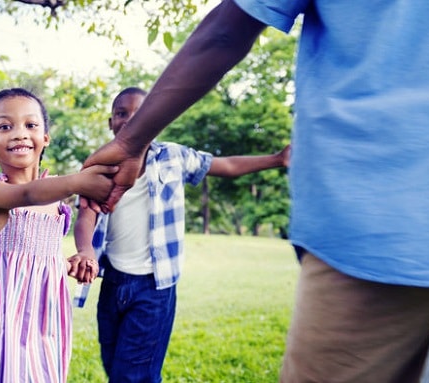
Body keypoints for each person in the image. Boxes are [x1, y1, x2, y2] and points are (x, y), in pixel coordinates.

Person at [82, 1, 429, 382]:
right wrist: (132, 143)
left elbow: (225, 140)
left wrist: (140, 140)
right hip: (367, 241)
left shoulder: (178, 160)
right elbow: (230, 26)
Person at [69, 86, 291, 383]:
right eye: (121, 113)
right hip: (112, 283)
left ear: (156, 119)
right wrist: (85, 250)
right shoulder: (98, 165)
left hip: (154, 287)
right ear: (110, 122)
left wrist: (276, 159)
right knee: (114, 365)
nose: (130, 120)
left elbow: (225, 165)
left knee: (134, 376)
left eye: (141, 113)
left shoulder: (174, 157)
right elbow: (86, 214)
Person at [0, 88, 115, 383]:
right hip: (2, 320)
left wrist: (78, 258)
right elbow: (27, 193)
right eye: (5, 126)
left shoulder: (57, 203)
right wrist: (79, 181)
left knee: (39, 371)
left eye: (31, 125)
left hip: (44, 317)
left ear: (45, 137)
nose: (19, 134)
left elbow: (43, 258)